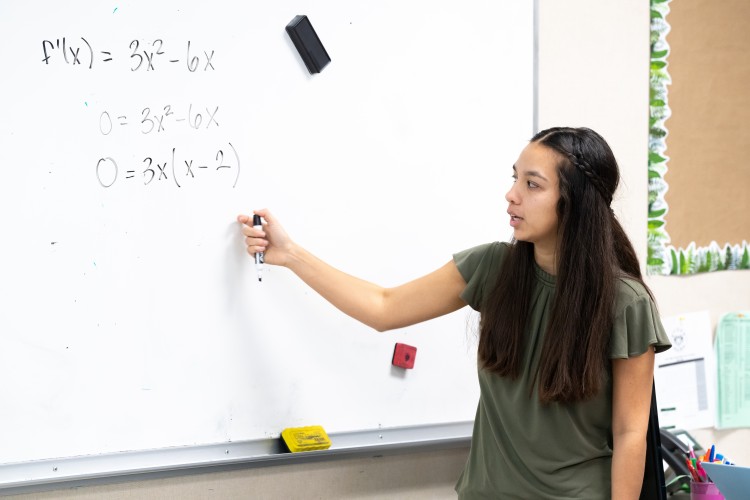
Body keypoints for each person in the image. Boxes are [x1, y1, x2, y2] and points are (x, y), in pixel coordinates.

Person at [237, 126, 671, 499]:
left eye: (532, 185)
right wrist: (290, 254)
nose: (512, 195)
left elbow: (630, 432)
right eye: (514, 178)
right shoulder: (492, 267)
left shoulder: (624, 303)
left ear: (572, 203)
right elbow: (383, 307)